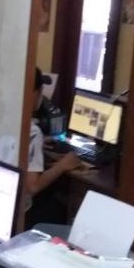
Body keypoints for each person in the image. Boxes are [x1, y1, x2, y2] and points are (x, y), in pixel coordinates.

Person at [25, 67, 82, 227]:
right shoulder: (33, 132)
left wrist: (40, 146)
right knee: (61, 206)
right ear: (36, 92)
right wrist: (62, 165)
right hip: (24, 210)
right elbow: (32, 186)